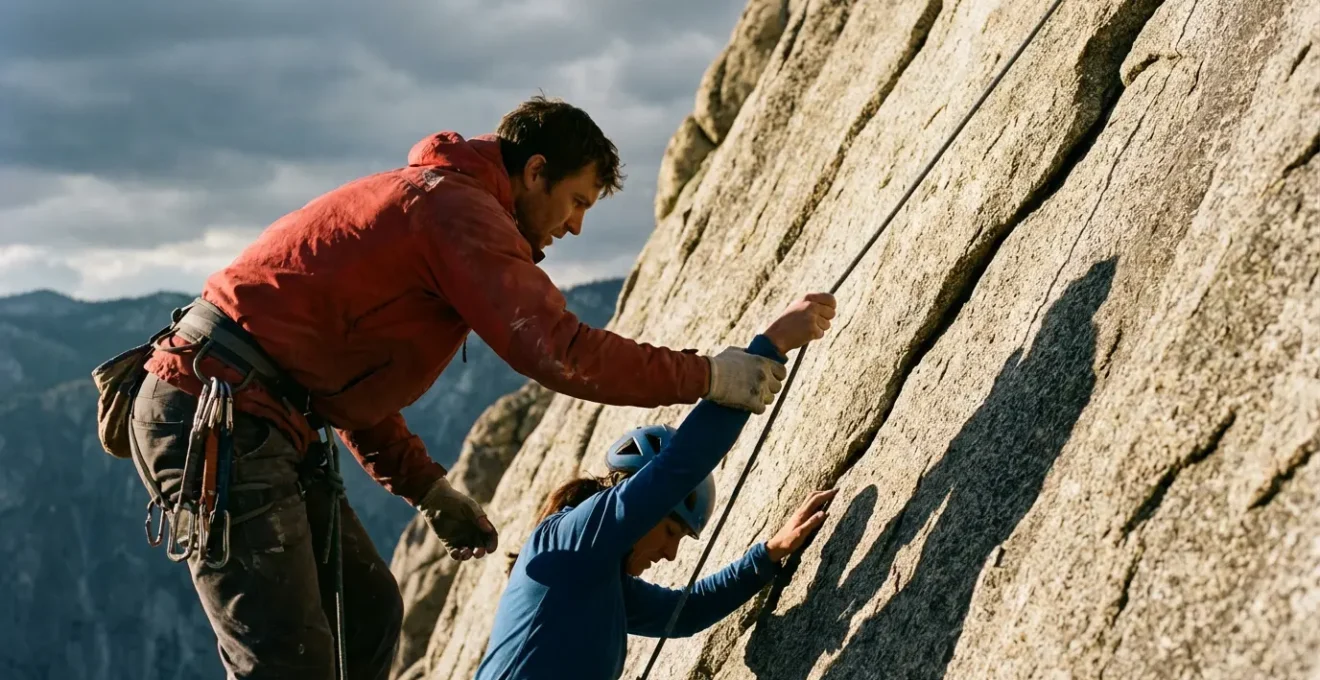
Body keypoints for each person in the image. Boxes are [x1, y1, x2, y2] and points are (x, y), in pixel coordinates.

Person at [104, 95, 820, 679]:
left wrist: (429, 490)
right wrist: (714, 375)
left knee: (370, 617)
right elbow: (558, 348)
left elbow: (345, 386)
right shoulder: (457, 211)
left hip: (260, 411)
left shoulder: (442, 211)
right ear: (534, 172)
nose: (574, 226)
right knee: (287, 663)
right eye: (575, 201)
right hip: (219, 413)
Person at [475, 294, 838, 680]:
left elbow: (685, 613)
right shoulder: (575, 540)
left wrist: (767, 555)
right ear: (638, 496)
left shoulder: (600, 582)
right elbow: (679, 467)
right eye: (670, 530)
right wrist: (770, 347)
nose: (669, 554)